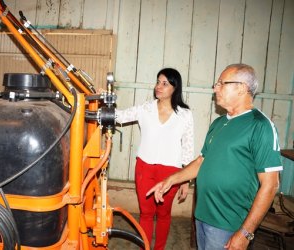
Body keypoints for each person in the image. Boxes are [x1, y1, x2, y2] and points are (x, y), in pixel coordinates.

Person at [147, 63, 283, 250]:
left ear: (242, 88)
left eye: (221, 83)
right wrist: (170, 180)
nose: (215, 88)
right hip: (203, 216)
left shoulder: (260, 126)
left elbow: (271, 185)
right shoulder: (219, 123)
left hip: (229, 223)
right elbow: (202, 161)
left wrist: (245, 233)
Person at [115, 68, 194, 249]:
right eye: (158, 82)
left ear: (175, 87)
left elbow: (188, 147)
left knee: (164, 214)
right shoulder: (145, 109)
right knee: (146, 213)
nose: (158, 86)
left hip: (171, 173)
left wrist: (185, 179)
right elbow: (120, 116)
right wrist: (102, 104)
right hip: (145, 168)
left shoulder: (185, 114)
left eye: (165, 83)